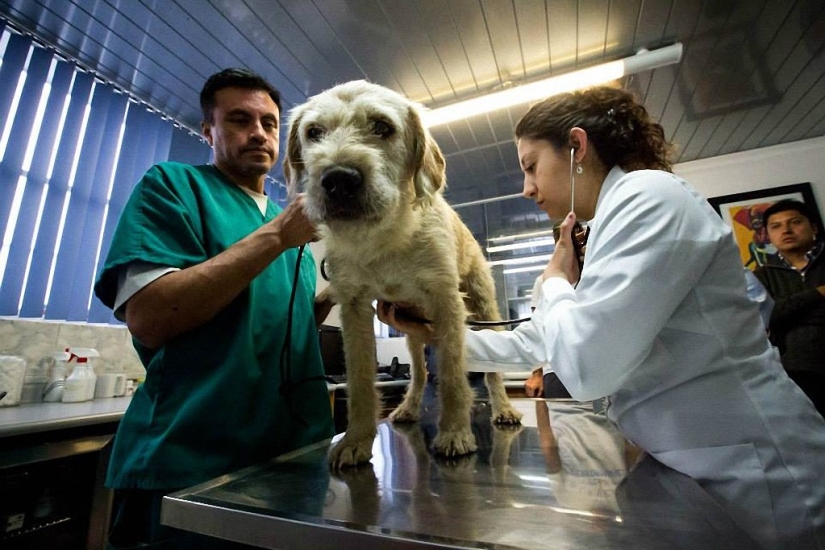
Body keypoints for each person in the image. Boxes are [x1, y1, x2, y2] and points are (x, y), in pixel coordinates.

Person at [379, 86, 825, 548]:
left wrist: (555, 281)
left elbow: (588, 368)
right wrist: (437, 334)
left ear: (576, 147)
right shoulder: (605, 224)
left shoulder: (649, 197)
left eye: (531, 166)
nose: (526, 187)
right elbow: (540, 341)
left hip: (762, 471)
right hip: (700, 459)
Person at [93, 68, 334, 549]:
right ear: (208, 130)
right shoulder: (173, 186)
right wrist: (276, 237)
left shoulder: (290, 226)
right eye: (239, 120)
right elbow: (150, 316)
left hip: (288, 459)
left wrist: (342, 293)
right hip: (192, 461)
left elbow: (281, 322)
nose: (259, 133)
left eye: (269, 122)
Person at [754, 199, 825, 415]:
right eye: (776, 226)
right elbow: (767, 317)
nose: (786, 230)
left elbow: (780, 312)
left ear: (813, 227)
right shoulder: (762, 275)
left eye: (795, 222)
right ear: (768, 235)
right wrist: (819, 293)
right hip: (794, 371)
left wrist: (790, 311)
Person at [524, 273, 571, 399]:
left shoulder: (597, 274)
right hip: (556, 371)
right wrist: (537, 373)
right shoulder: (545, 280)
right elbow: (538, 331)